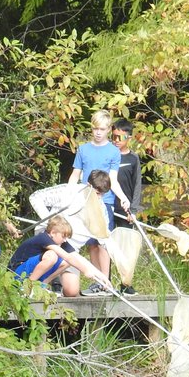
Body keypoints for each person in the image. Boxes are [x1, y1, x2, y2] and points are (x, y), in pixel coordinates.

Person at [67, 110, 132, 296]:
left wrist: (123, 198)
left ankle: (106, 281)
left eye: (102, 129)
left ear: (108, 129)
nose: (98, 132)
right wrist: (69, 194)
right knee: (91, 243)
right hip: (84, 201)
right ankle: (97, 281)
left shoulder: (113, 151)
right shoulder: (83, 149)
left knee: (104, 241)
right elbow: (76, 174)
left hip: (105, 201)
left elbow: (113, 179)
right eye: (95, 128)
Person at [8, 215, 110, 297]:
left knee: (67, 262)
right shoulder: (43, 238)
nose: (65, 240)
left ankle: (41, 286)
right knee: (52, 256)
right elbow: (68, 256)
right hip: (16, 272)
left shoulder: (60, 242)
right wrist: (85, 271)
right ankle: (27, 288)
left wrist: (101, 276)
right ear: (53, 233)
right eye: (63, 236)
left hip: (29, 273)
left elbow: (77, 258)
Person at [111, 118, 143, 294]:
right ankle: (104, 282)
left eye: (120, 138)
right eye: (113, 137)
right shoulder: (108, 155)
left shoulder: (133, 158)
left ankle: (126, 284)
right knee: (106, 246)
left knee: (126, 248)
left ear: (128, 138)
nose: (116, 141)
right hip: (108, 206)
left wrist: (134, 209)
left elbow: (137, 185)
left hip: (126, 210)